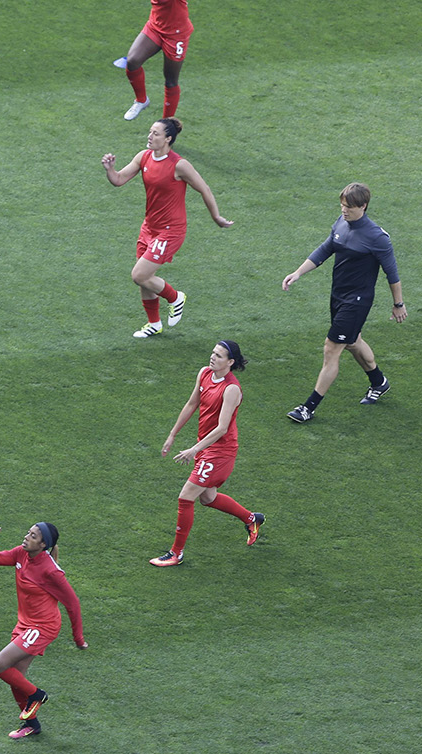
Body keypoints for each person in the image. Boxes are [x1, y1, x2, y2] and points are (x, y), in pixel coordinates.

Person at [283, 183, 407, 423]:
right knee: (352, 342)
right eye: (342, 205)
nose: (344, 210)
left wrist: (398, 304)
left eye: (349, 206)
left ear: (363, 206)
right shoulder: (341, 223)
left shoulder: (377, 237)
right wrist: (298, 273)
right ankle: (379, 382)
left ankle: (308, 408)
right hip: (338, 296)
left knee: (332, 348)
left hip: (357, 301)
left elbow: (392, 274)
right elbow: (326, 249)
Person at [102, 118, 233, 338]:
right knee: (146, 277)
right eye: (150, 132)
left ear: (168, 138)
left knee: (139, 275)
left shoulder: (179, 165)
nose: (150, 136)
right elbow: (119, 180)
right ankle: (154, 324)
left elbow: (204, 189)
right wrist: (110, 169)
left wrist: (216, 217)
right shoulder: (143, 157)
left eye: (155, 133)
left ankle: (175, 298)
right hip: (149, 227)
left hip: (171, 231)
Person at [151, 340, 264, 566]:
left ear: (230, 362)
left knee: (186, 497)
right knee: (208, 497)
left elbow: (222, 428)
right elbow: (192, 404)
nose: (212, 357)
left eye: (219, 355)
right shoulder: (204, 373)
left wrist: (194, 449)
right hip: (206, 447)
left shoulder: (231, 389)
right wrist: (172, 434)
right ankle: (252, 519)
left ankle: (176, 553)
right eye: (213, 353)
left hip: (220, 452)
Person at [0, 522, 87, 740]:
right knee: (15, 676)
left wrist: (78, 638)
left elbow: (73, 604)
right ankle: (32, 725)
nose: (26, 537)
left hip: (43, 627)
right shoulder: (21, 554)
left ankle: (37, 695)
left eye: (32, 536)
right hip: (25, 624)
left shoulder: (51, 571)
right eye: (28, 533)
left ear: (43, 544)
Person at [113, 0, 192, 121]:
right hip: (155, 26)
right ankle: (141, 100)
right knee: (132, 61)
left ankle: (166, 124)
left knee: (171, 80)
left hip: (176, 34)